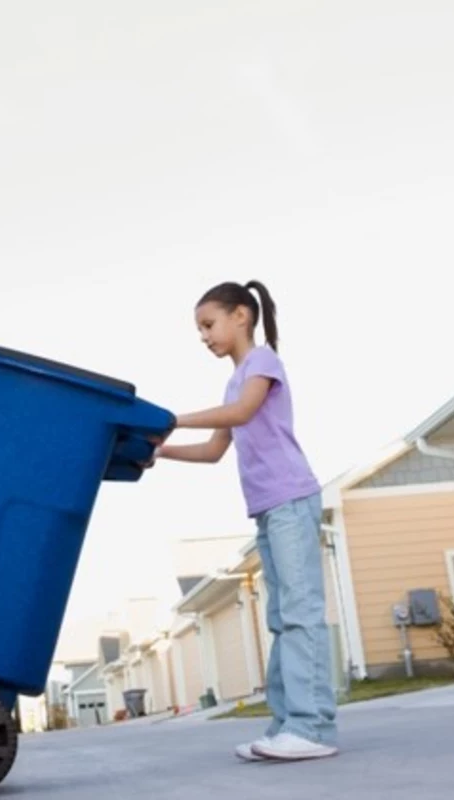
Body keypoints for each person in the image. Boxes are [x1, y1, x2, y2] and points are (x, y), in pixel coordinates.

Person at [151, 280, 338, 762]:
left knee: (300, 614)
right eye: (199, 330)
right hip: (269, 509)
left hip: (292, 500)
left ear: (242, 316)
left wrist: (172, 418)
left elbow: (243, 412)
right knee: (280, 619)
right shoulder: (232, 381)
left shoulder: (263, 364)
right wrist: (162, 450)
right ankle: (285, 727)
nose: (205, 336)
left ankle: (312, 728)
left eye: (208, 325)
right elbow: (216, 451)